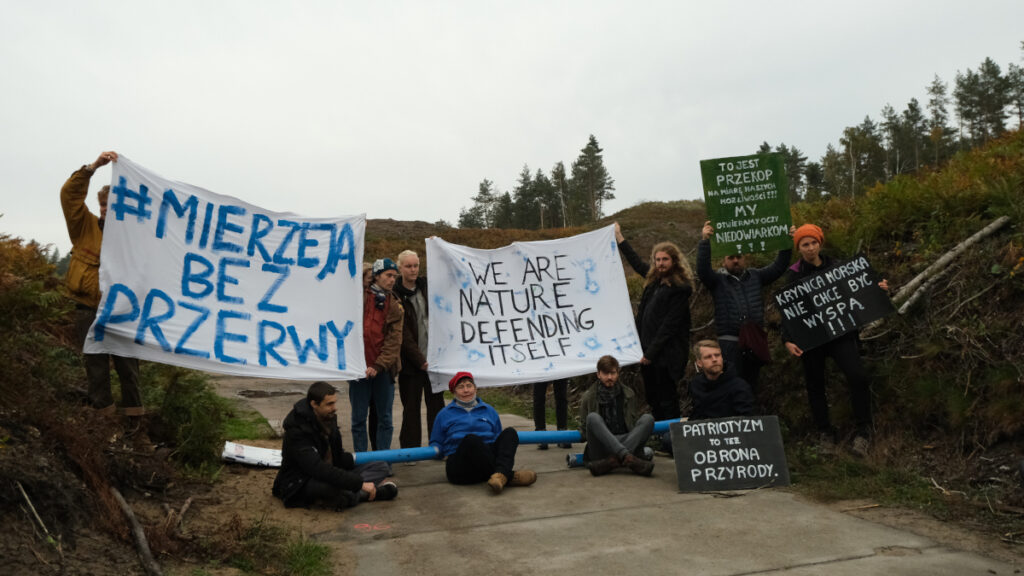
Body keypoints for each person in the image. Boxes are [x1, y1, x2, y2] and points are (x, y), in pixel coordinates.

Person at [60, 151, 150, 445]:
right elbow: (69, 195)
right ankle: (106, 427)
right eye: (102, 205)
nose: (104, 210)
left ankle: (136, 429)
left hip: (124, 315)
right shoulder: (84, 228)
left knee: (129, 370)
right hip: (88, 310)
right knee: (96, 370)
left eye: (111, 205)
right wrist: (93, 167)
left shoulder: (136, 238)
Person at [782, 224, 889, 455]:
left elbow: (862, 290)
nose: (810, 248)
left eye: (813, 243)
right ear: (798, 248)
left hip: (841, 333)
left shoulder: (839, 267)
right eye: (804, 244)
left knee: (857, 377)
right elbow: (788, 311)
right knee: (815, 385)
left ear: (820, 243)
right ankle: (825, 434)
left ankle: (863, 432)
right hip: (811, 339)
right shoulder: (793, 274)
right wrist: (787, 340)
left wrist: (879, 288)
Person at [697, 221, 792, 392]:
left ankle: (751, 417)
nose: (735, 261)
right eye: (731, 257)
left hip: (754, 342)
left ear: (744, 258)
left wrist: (787, 243)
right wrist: (705, 242)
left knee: (752, 387)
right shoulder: (717, 281)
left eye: (739, 257)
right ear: (723, 261)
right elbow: (702, 271)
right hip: (729, 344)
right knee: (731, 387)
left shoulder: (756, 276)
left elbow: (779, 267)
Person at [273, 382, 397, 509]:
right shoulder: (297, 431)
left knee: (381, 466)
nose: (334, 408)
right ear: (314, 404)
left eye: (334, 402)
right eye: (329, 404)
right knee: (333, 489)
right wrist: (359, 484)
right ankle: (369, 494)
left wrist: (357, 465)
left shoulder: (328, 418)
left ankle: (352, 493)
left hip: (328, 472)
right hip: (302, 481)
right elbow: (317, 468)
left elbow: (338, 457)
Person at [614, 222, 693, 420]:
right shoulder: (654, 281)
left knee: (667, 397)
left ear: (674, 261)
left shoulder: (680, 288)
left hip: (666, 354)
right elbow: (637, 263)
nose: (660, 263)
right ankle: (660, 435)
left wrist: (650, 353)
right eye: (657, 259)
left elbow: (669, 326)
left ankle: (672, 438)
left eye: (665, 259)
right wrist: (620, 239)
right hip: (647, 352)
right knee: (652, 396)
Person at [429, 372, 537, 494]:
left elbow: (497, 438)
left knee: (510, 433)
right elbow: (435, 441)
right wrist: (438, 451)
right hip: (461, 468)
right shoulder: (444, 414)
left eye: (469, 386)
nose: (466, 390)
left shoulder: (489, 410)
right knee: (471, 439)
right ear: (454, 392)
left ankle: (499, 476)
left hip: (485, 462)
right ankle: (509, 476)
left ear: (475, 388)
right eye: (461, 387)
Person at [350, 258, 403, 453]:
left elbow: (394, 341)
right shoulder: (357, 298)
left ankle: (383, 460)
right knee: (358, 420)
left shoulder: (395, 305)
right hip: (358, 369)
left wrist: (379, 366)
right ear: (377, 275)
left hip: (383, 371)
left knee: (385, 419)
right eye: (388, 275)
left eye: (394, 277)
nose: (392, 280)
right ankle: (361, 461)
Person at [394, 250, 445, 449]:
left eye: (416, 265)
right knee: (411, 408)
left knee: (436, 406)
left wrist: (437, 247)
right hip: (411, 364)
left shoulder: (426, 286)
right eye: (408, 266)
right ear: (400, 268)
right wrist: (419, 360)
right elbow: (403, 335)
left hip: (434, 360)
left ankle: (438, 444)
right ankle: (410, 450)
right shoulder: (396, 294)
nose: (413, 269)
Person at [578, 356, 656, 476]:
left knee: (648, 419)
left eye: (613, 373)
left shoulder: (629, 394)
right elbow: (584, 431)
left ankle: (613, 461)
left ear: (618, 373)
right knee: (593, 417)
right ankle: (625, 456)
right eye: (605, 373)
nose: (610, 377)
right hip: (601, 445)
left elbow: (633, 425)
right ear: (598, 374)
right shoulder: (589, 397)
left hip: (625, 439)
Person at [688, 340, 755, 420]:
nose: (714, 359)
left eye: (717, 355)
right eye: (708, 357)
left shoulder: (739, 386)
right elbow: (696, 415)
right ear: (699, 363)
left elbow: (748, 420)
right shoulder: (696, 385)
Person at [533, 378, 571, 450]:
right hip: (540, 368)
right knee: (539, 396)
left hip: (559, 367)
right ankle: (540, 432)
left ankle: (562, 432)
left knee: (561, 396)